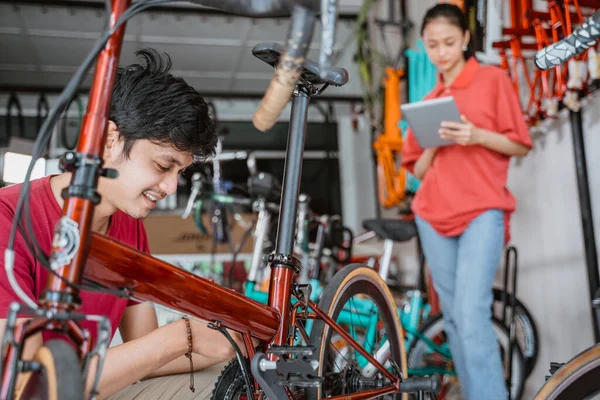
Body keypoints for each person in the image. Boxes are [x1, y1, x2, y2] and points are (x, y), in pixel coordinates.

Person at [0, 49, 246, 399]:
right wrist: (181, 336)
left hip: (85, 388)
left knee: (232, 378)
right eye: (164, 166)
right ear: (110, 140)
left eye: (181, 172)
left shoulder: (127, 225)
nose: (172, 187)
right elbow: (30, 385)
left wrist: (213, 339)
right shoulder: (7, 219)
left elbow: (144, 351)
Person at [401, 4, 533, 400]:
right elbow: (418, 171)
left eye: (449, 43)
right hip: (432, 215)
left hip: (481, 212)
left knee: (473, 315)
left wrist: (475, 135)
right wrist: (434, 145)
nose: (441, 52)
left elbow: (520, 144)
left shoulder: (492, 80)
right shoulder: (429, 99)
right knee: (455, 319)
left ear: (464, 40)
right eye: (432, 45)